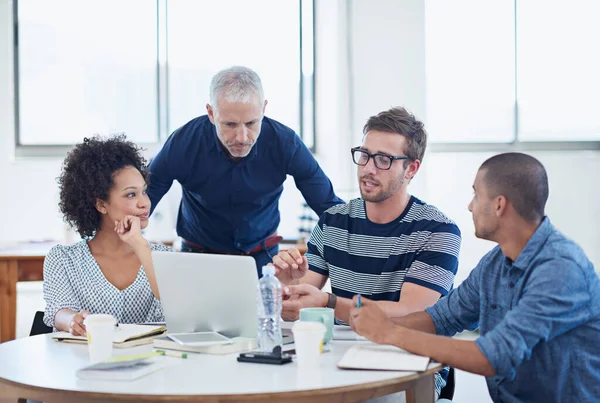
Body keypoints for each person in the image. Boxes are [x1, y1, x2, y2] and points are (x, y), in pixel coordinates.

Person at [349, 152, 600, 403]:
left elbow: (494, 357)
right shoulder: (495, 263)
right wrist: (378, 324)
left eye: (476, 195)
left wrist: (391, 333)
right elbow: (440, 318)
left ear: (499, 205)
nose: (470, 206)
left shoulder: (561, 269)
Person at [272, 106, 462, 397]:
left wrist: (330, 302)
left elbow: (411, 312)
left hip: (407, 362)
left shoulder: (437, 231)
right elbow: (301, 300)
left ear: (411, 168)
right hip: (338, 356)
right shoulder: (333, 220)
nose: (369, 168)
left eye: (384, 160)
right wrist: (288, 283)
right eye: (364, 155)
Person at [147, 66, 343, 276]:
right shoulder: (184, 143)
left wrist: (370, 233)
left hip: (263, 260)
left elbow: (328, 207)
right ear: (211, 113)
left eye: (251, 123)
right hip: (198, 258)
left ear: (263, 109)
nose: (242, 137)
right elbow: (144, 198)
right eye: (230, 124)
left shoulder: (285, 143)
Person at [43, 135, 171, 336]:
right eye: (131, 194)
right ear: (101, 204)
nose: (145, 203)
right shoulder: (64, 259)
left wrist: (140, 246)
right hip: (86, 362)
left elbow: (177, 305)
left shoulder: (165, 257)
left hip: (152, 363)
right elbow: (58, 310)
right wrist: (71, 321)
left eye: (144, 192)